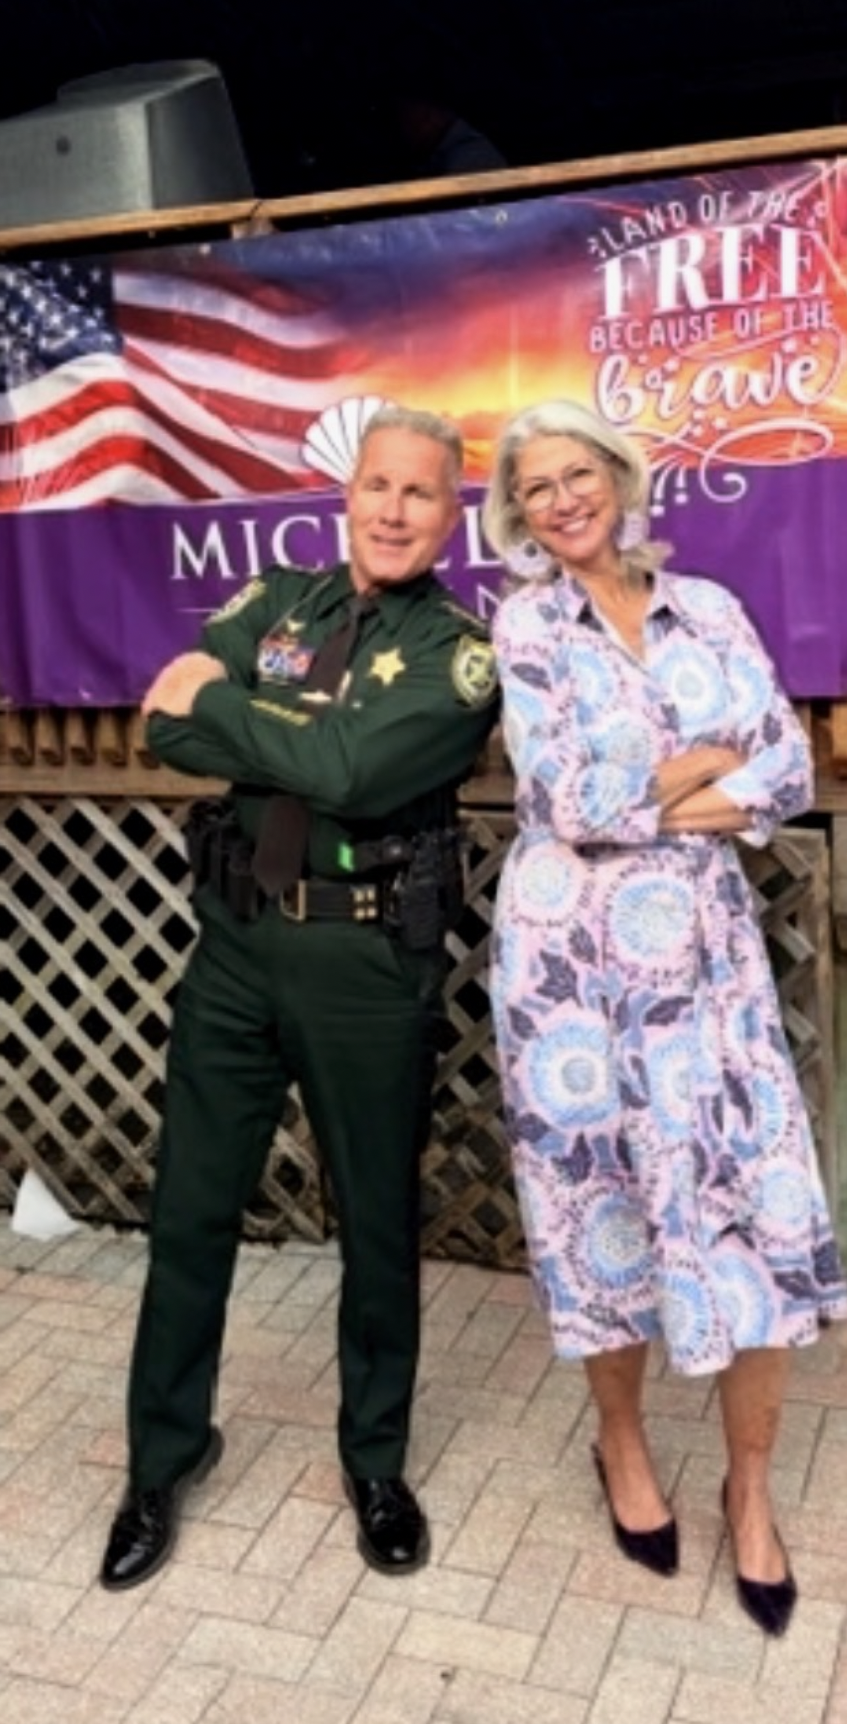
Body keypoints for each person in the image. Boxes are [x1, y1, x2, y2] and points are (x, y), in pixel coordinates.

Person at [99, 404, 500, 1590]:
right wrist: (290, 727)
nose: (390, 508)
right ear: (348, 491)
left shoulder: (457, 654)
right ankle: (159, 1459)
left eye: (418, 492)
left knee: (374, 1222)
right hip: (233, 947)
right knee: (190, 1211)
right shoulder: (275, 601)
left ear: (449, 511)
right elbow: (158, 730)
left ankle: (374, 1460)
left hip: (364, 965)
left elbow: (356, 770)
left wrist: (231, 714)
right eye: (375, 484)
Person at [481, 399, 847, 1637]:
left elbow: (788, 766)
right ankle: (622, 1444)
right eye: (536, 488)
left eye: (578, 473)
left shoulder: (714, 611)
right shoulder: (526, 620)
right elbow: (562, 794)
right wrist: (700, 767)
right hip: (570, 972)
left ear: (621, 479)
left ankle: (752, 1490)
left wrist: (681, 783)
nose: (563, 498)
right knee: (601, 1210)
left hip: (709, 965)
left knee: (758, 1195)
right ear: (519, 515)